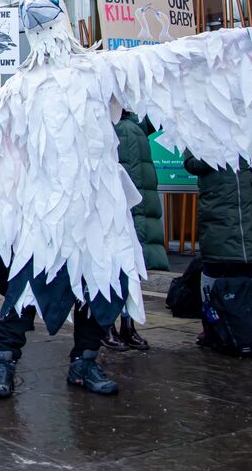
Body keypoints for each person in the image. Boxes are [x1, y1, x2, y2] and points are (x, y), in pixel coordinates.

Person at [181, 149, 252, 337]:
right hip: (217, 207)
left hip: (248, 208)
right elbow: (192, 164)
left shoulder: (248, 124)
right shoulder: (200, 125)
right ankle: (212, 326)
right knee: (214, 266)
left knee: (251, 267)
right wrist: (221, 146)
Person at [101, 110, 167, 351]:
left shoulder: (136, 123)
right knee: (110, 267)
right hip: (112, 205)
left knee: (131, 267)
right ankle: (106, 323)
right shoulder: (97, 121)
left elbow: (161, 112)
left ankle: (129, 324)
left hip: (138, 203)